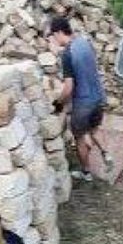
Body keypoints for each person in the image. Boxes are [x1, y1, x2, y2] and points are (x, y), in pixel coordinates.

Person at [48, 15, 110, 181]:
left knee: (80, 137)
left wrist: (58, 103)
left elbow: (69, 87)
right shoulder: (84, 42)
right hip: (98, 96)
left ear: (59, 32)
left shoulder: (67, 55)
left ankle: (86, 172)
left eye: (54, 36)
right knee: (95, 128)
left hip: (83, 103)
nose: (54, 40)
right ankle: (107, 154)